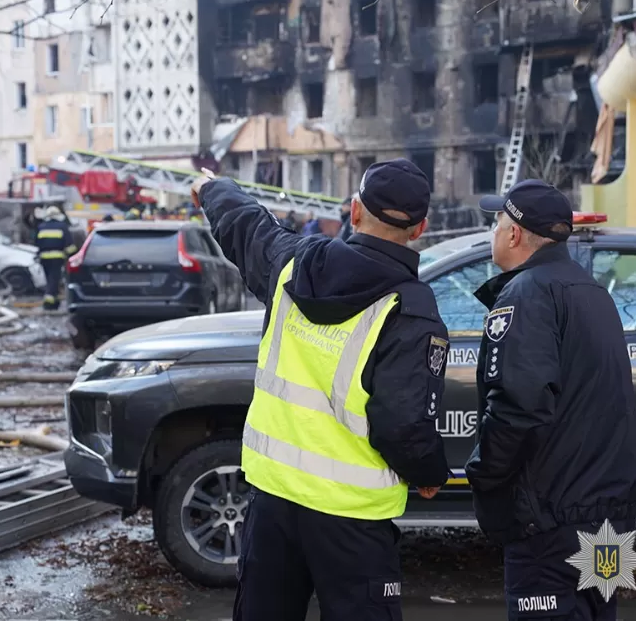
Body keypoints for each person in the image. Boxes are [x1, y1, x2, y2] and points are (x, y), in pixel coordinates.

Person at [191, 158, 451, 621]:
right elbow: (403, 422)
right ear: (419, 229)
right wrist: (429, 472)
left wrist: (211, 189)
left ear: (354, 211)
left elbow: (245, 224)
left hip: (272, 502)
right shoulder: (411, 310)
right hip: (354, 521)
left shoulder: (294, 263)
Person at [464, 179, 636, 621]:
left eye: (496, 224)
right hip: (606, 517)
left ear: (513, 234)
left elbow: (518, 407)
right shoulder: (592, 291)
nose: (493, 233)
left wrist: (483, 477)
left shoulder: (527, 292)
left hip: (551, 522)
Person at [35, 205, 77, 310]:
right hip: (57, 257)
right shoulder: (62, 227)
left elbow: (37, 243)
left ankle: (55, 302)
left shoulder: (41, 227)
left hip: (44, 258)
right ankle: (48, 301)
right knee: (54, 279)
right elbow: (70, 245)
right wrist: (72, 256)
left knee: (49, 279)